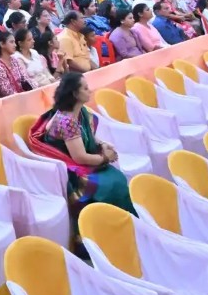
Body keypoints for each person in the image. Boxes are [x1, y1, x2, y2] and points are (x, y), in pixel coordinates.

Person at [28, 72, 136, 235]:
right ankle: (105, 230)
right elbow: (79, 157)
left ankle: (123, 225)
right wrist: (105, 158)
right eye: (85, 88)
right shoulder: (67, 121)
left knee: (118, 178)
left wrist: (102, 144)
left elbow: (88, 135)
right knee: (112, 184)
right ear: (75, 94)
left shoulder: (79, 111)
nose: (89, 90)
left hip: (80, 162)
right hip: (72, 172)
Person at [0, 30, 28, 97]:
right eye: (11, 42)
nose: (15, 45)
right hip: (11, 100)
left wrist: (34, 89)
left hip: (23, 95)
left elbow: (25, 78)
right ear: (2, 44)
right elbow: (6, 92)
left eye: (14, 42)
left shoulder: (14, 60)